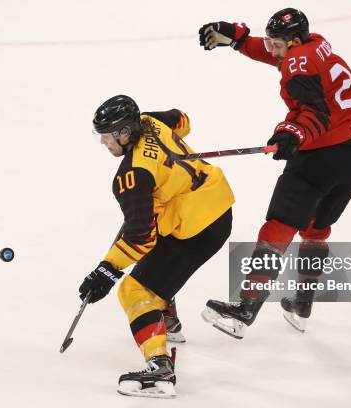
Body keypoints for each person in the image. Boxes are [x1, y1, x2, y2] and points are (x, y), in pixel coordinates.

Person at [198, 8, 351, 337]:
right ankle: (302, 304)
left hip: (316, 159)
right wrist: (239, 40)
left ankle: (244, 310)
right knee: (315, 229)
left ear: (292, 42)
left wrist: (292, 133)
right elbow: (284, 59)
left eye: (276, 44)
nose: (272, 50)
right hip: (350, 162)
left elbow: (314, 111)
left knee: (278, 226)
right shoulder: (318, 48)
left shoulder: (298, 65)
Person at [78, 95, 234, 398]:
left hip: (196, 229)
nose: (103, 142)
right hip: (216, 205)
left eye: (107, 136)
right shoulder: (150, 121)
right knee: (157, 250)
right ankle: (168, 318)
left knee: (133, 290)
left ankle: (159, 366)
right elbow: (182, 120)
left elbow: (140, 237)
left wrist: (107, 270)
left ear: (125, 133)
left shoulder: (132, 177)